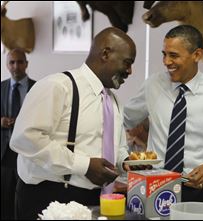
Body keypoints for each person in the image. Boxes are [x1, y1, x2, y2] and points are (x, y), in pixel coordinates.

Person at [10, 27, 136, 220]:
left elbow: (115, 146)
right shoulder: (58, 86)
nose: (129, 71)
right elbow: (25, 138)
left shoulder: (114, 101)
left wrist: (125, 161)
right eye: (127, 63)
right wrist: (83, 165)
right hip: (50, 199)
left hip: (95, 199)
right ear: (105, 54)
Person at [123, 25, 203, 204]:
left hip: (199, 189)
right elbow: (123, 120)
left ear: (197, 55)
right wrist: (123, 156)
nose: (166, 62)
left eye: (174, 55)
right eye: (164, 54)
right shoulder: (153, 86)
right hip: (155, 187)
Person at [1, 48, 36, 220]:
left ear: (26, 64)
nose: (16, 66)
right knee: (4, 200)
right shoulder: (1, 87)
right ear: (7, 65)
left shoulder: (37, 88)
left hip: (28, 154)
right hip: (4, 156)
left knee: (24, 200)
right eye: (12, 62)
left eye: (20, 62)